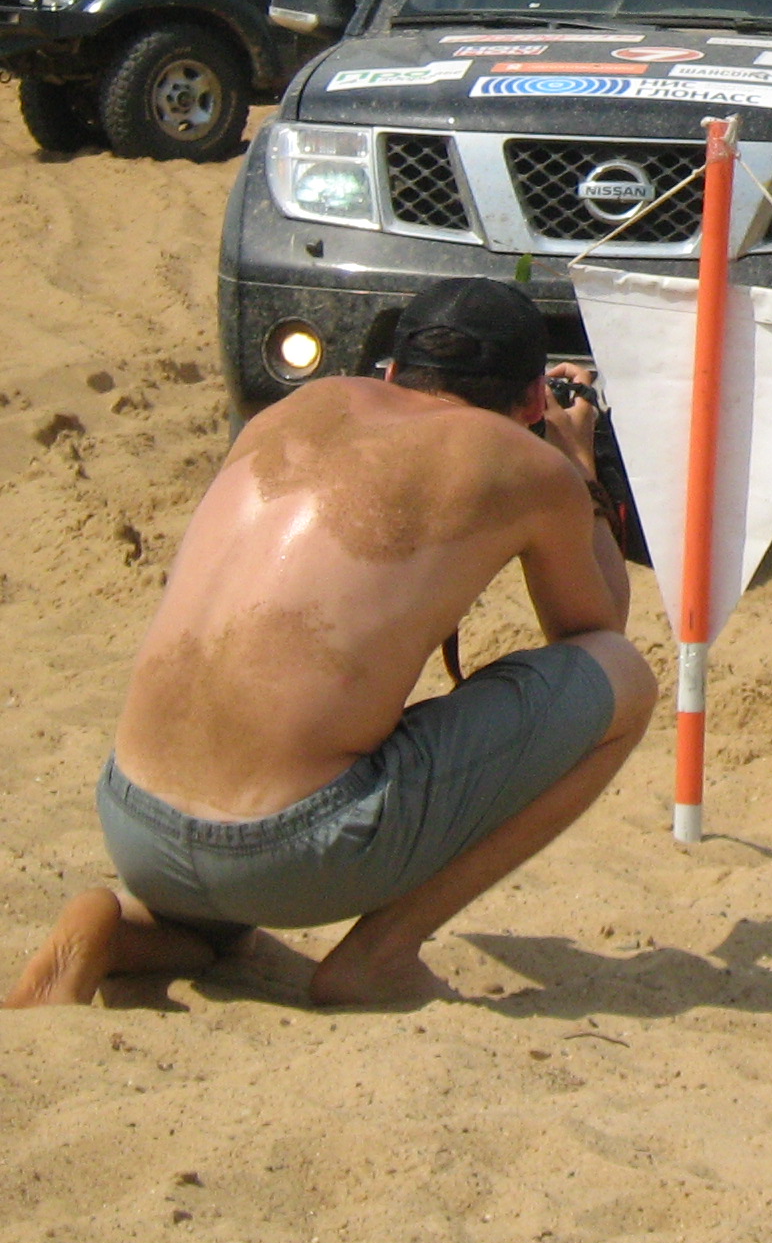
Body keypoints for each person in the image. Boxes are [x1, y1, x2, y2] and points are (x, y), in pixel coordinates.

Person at [6, 279, 653, 1010]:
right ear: (534, 400)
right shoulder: (522, 462)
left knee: (224, 926)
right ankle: (381, 954)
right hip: (288, 852)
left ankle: (121, 932)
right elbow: (593, 629)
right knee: (624, 677)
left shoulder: (298, 407)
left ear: (393, 371)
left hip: (134, 822)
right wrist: (578, 464)